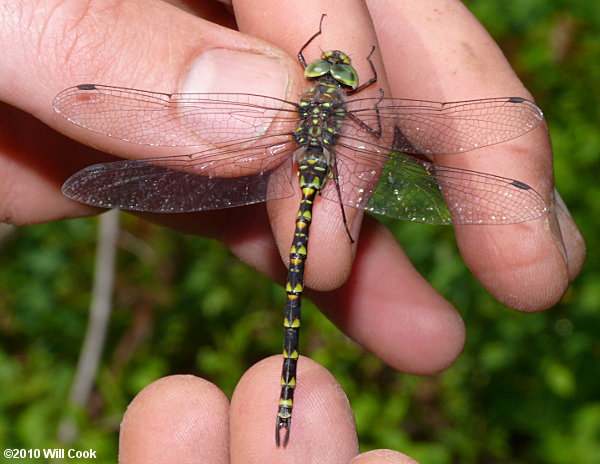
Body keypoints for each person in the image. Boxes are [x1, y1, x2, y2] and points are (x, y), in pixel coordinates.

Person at [0, 0, 585, 462]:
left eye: (335, 68)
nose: (332, 68)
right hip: (318, 181)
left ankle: (285, 398)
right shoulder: (353, 109)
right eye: (333, 67)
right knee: (321, 243)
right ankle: (287, 394)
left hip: (299, 176)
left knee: (315, 245)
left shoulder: (297, 106)